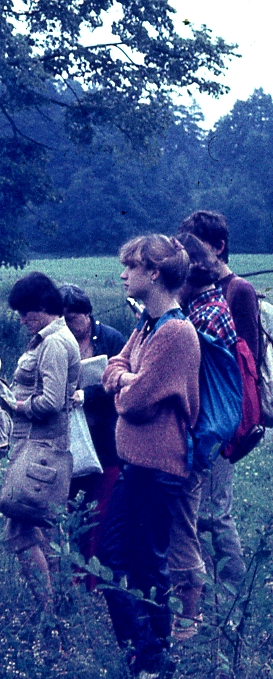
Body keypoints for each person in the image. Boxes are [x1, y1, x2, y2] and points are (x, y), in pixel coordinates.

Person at [100, 234, 199, 678]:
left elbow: (133, 401)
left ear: (154, 273)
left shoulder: (175, 331)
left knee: (145, 565)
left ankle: (152, 658)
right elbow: (111, 370)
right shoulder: (146, 327)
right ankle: (138, 651)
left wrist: (126, 383)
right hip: (136, 467)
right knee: (111, 556)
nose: (123, 274)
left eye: (131, 267)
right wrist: (124, 377)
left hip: (158, 469)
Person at [166, 233, 240, 638]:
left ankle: (196, 614)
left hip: (195, 434)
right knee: (191, 520)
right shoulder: (202, 306)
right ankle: (202, 605)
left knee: (192, 521)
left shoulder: (204, 315)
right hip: (198, 433)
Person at [177, 211, 254, 585]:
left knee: (216, 509)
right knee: (201, 508)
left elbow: (241, 363)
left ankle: (234, 588)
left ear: (217, 247)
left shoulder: (237, 290)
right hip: (206, 414)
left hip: (223, 415)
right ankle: (210, 581)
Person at [5, 273, 80, 614]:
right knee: (43, 530)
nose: (22, 320)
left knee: (21, 530)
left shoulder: (51, 343)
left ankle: (46, 611)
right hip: (43, 448)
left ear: (43, 307)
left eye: (26, 312)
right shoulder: (55, 338)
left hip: (39, 448)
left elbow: (50, 401)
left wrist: (16, 405)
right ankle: (60, 605)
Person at [60, 284, 126, 576]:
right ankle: (76, 573)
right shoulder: (58, 342)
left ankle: (97, 575)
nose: (69, 326)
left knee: (101, 511)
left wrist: (87, 394)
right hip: (72, 437)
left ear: (87, 314)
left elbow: (123, 382)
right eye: (62, 319)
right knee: (74, 510)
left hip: (106, 439)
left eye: (73, 318)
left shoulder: (112, 339)